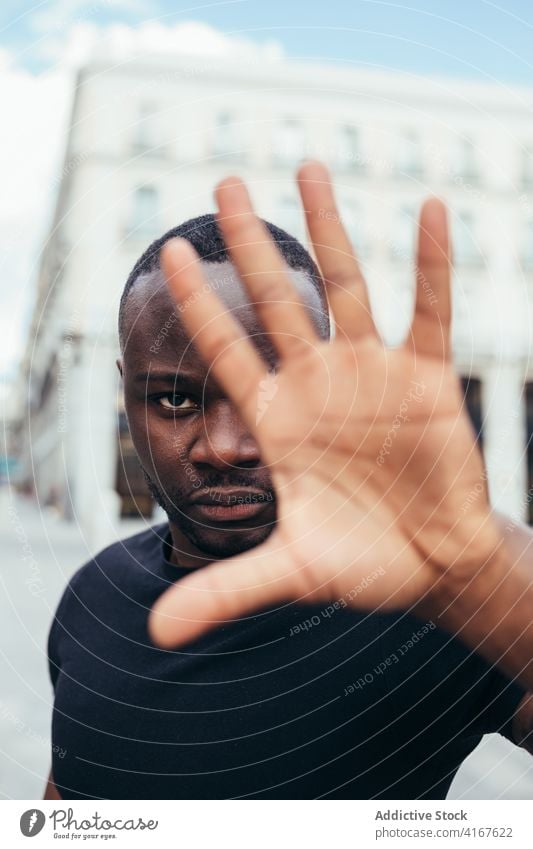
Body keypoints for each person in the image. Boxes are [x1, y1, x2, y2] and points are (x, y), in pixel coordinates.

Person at [44, 161, 533, 801]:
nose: (224, 447)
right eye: (172, 400)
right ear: (125, 395)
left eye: (268, 398)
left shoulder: (440, 607)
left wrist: (483, 573)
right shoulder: (93, 596)